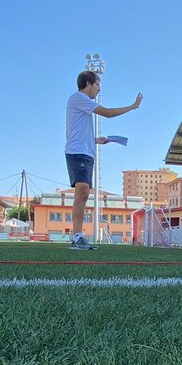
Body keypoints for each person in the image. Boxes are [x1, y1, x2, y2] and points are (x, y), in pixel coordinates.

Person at [65, 70, 142, 250]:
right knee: (82, 191)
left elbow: (78, 129)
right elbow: (107, 113)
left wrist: (95, 140)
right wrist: (132, 106)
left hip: (86, 151)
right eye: (98, 85)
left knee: (83, 193)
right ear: (88, 84)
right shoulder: (78, 98)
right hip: (77, 152)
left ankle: (77, 237)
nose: (99, 90)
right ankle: (77, 237)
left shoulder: (83, 103)